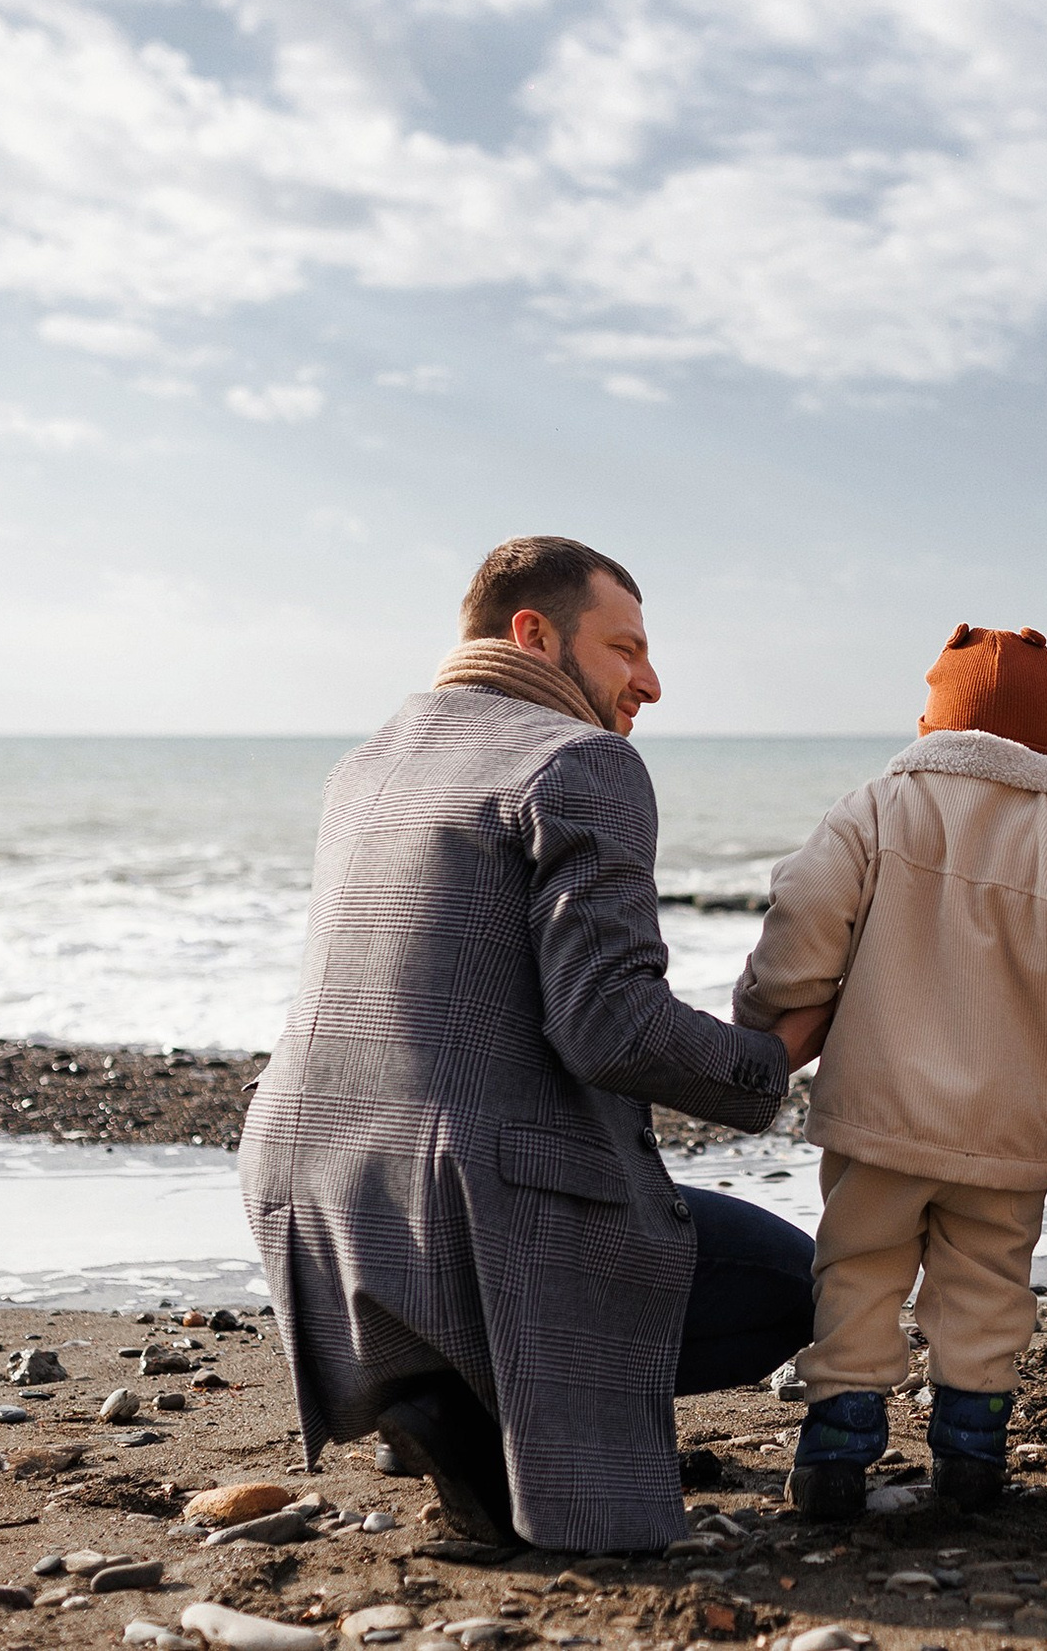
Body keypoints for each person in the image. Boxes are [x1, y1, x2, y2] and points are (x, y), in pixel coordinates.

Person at [238, 536, 831, 1555]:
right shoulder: (578, 758)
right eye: (623, 647)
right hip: (471, 1200)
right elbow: (611, 1024)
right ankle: (484, 1420)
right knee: (800, 1283)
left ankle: (430, 1386)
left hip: (311, 1188)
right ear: (532, 634)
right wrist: (773, 1055)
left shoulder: (368, 761)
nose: (649, 680)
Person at [733, 624, 1047, 1519]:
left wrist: (767, 1013)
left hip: (878, 1115)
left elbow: (804, 916)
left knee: (855, 1273)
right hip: (1007, 1127)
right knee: (989, 1290)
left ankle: (835, 1457)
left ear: (931, 719)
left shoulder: (877, 808)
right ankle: (970, 1458)